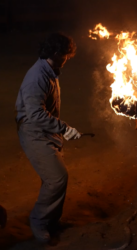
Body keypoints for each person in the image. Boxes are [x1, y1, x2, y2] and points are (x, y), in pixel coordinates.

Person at [15, 33, 81, 243]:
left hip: (44, 131)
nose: (67, 59)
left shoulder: (49, 70)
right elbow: (35, 114)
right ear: (55, 53)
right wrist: (64, 128)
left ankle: (51, 222)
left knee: (53, 177)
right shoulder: (37, 77)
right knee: (57, 177)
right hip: (33, 132)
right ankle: (39, 221)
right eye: (66, 55)